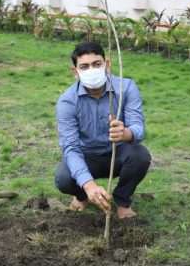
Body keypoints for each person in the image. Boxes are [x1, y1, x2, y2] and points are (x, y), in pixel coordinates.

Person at [55, 41, 151, 219]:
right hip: (87, 155)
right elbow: (71, 148)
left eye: (96, 64)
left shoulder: (126, 88)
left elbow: (139, 128)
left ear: (107, 65)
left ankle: (122, 200)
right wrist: (89, 185)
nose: (91, 70)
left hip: (118, 151)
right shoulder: (67, 102)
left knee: (140, 156)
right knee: (63, 178)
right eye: (84, 66)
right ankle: (83, 196)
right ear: (75, 72)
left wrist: (126, 134)